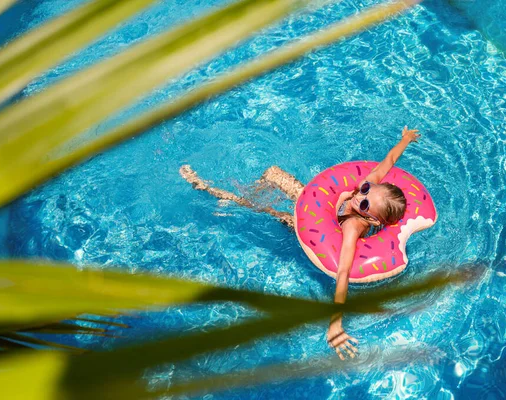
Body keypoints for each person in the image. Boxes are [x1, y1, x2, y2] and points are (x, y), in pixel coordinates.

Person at [180, 126, 421, 360]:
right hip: (318, 209)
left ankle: (213, 191)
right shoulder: (365, 187)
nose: (360, 195)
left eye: (365, 204)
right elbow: (388, 161)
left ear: (370, 218)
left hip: (311, 229)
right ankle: (253, 192)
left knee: (267, 210)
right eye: (366, 188)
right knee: (273, 173)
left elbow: (344, 271)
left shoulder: (353, 226)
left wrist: (335, 323)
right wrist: (406, 139)